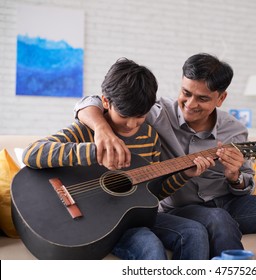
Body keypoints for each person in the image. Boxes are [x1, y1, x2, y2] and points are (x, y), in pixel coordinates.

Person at [74, 53, 256, 259]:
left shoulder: (235, 130)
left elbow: (246, 185)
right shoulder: (157, 113)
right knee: (217, 219)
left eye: (202, 98)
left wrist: (235, 176)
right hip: (182, 207)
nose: (189, 104)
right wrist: (102, 130)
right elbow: (94, 100)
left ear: (221, 98)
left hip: (229, 202)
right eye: (185, 92)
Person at [22, 57, 214, 260]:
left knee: (195, 232)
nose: (132, 124)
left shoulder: (149, 137)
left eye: (140, 116)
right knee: (149, 245)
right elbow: (31, 153)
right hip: (96, 222)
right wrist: (94, 151)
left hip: (133, 217)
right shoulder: (85, 129)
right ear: (106, 102)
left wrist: (184, 174)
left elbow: (152, 195)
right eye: (124, 115)